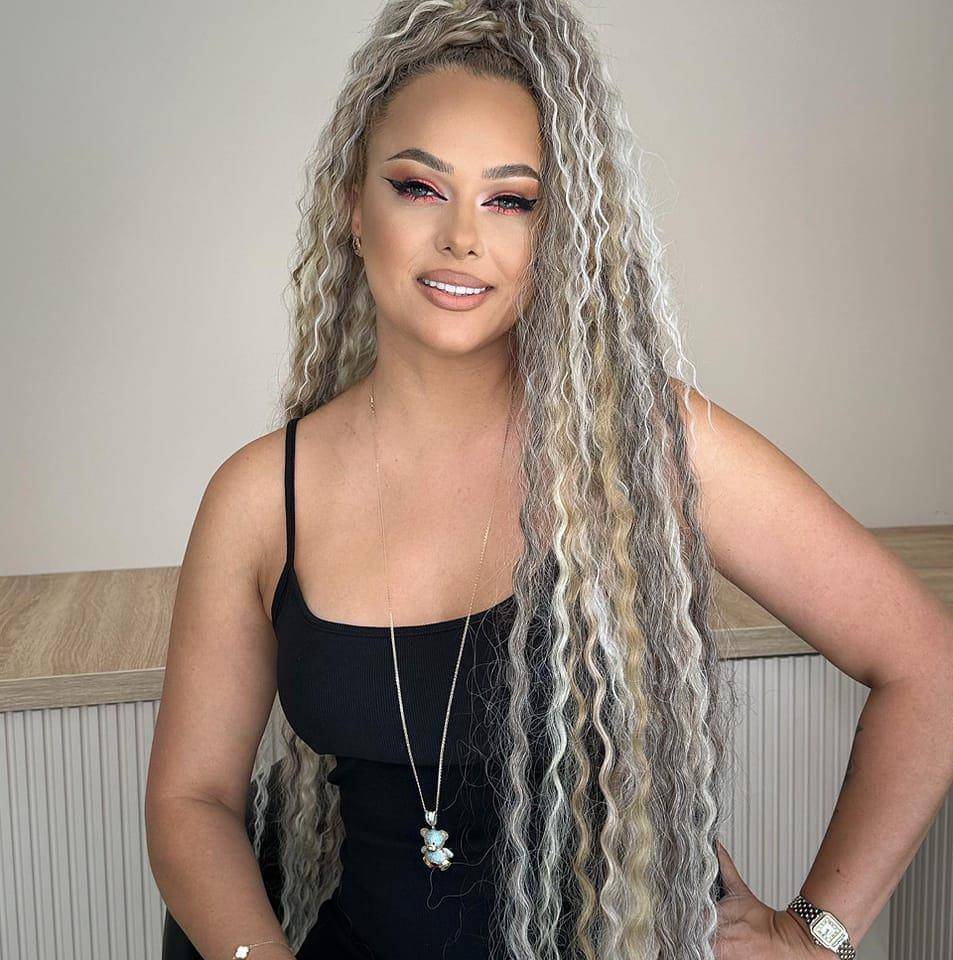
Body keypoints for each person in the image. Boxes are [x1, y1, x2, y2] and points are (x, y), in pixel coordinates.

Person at [146, 2, 953, 959]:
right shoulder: (256, 500)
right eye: (418, 187)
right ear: (354, 209)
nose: (461, 237)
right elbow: (192, 799)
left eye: (511, 201)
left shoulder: (648, 445)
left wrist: (810, 937)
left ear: (556, 235)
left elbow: (927, 667)